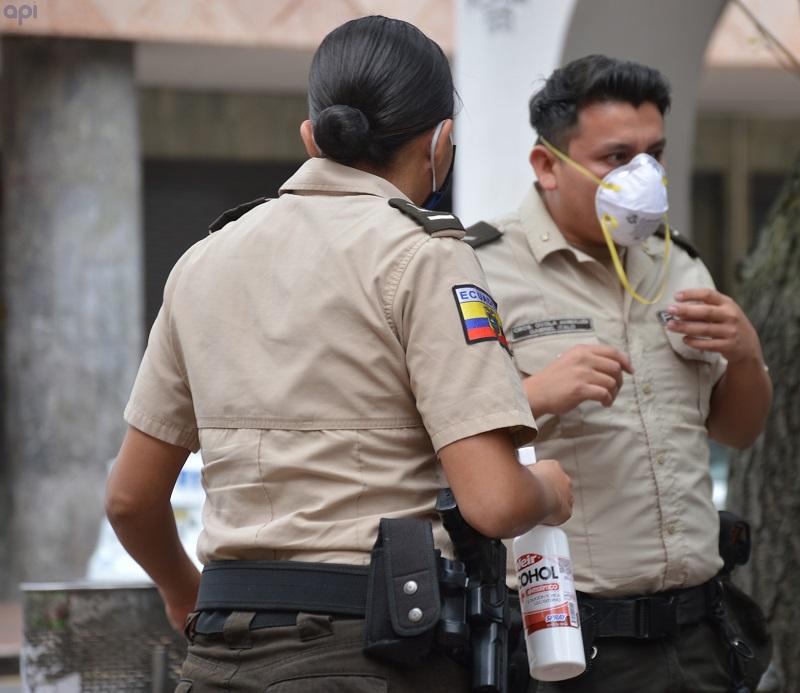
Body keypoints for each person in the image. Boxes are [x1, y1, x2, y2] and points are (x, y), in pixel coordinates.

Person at [104, 16, 573, 693]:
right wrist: (548, 492)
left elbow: (128, 498)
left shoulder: (203, 262)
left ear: (312, 135)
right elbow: (495, 501)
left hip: (219, 655)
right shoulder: (425, 255)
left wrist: (185, 592)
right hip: (370, 652)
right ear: (442, 141)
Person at [469, 55, 773, 692]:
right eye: (616, 158)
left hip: (698, 633)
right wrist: (533, 397)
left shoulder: (679, 265)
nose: (644, 177)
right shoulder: (482, 270)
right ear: (548, 166)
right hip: (568, 640)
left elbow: (737, 430)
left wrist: (746, 353)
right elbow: (433, 440)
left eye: (654, 154)